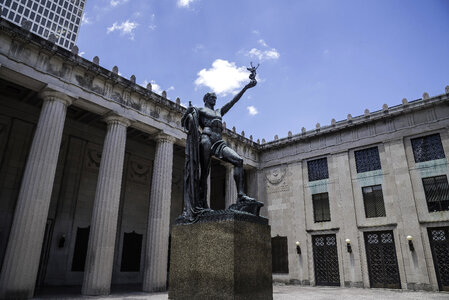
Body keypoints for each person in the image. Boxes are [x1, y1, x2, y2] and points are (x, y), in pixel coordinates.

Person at [180, 78, 257, 222]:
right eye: (212, 97)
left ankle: (240, 194)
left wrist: (246, 87)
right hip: (206, 139)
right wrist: (189, 114)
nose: (215, 99)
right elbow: (185, 120)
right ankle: (202, 203)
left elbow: (233, 101)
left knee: (238, 161)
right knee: (205, 172)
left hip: (219, 141)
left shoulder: (219, 111)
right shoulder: (200, 109)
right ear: (206, 99)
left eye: (215, 97)